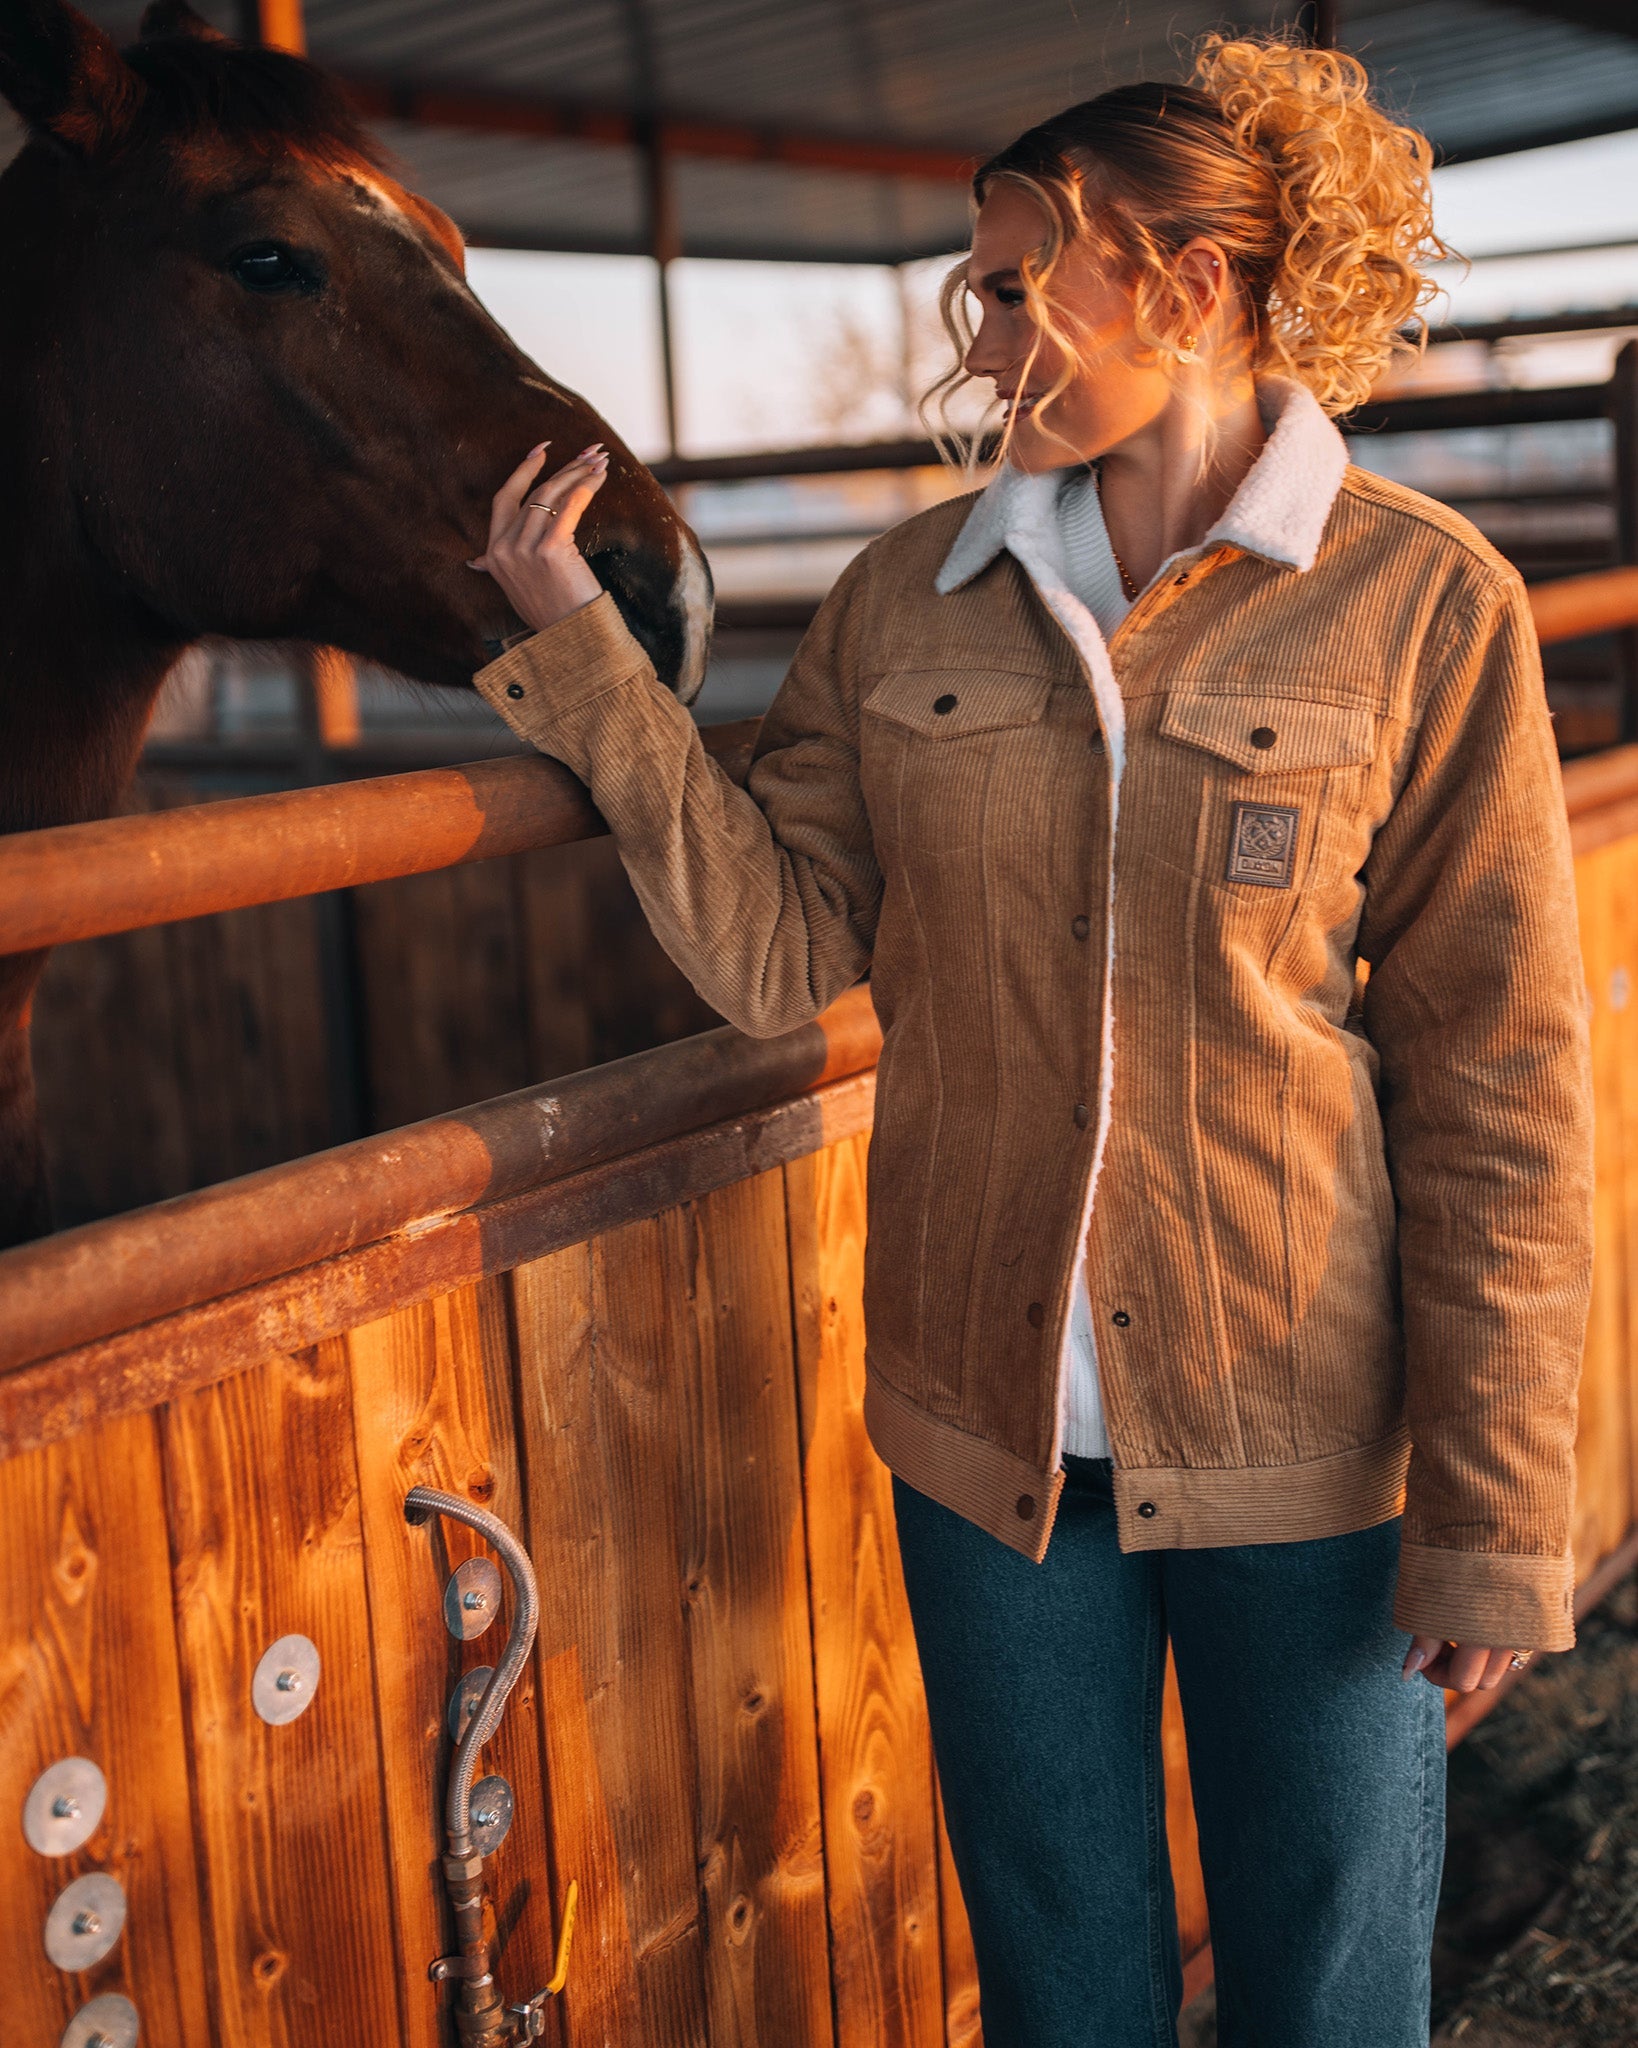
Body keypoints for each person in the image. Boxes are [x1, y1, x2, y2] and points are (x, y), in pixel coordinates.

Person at [463, 35, 1593, 2048]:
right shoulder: (906, 606)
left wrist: (1496, 1513)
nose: (978, 339)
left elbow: (1500, 1089)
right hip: (993, 1460)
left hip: (1311, 1450)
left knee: (1328, 1998)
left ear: (1175, 285)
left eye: (1011, 284)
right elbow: (774, 945)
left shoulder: (1425, 609)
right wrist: (586, 661)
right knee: (1064, 1996)